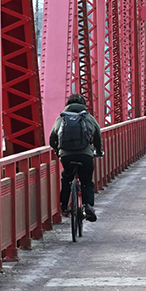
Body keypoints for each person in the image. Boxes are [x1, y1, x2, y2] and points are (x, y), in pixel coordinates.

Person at [49, 93, 103, 221]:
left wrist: (58, 151)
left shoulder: (61, 118)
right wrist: (99, 151)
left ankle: (63, 205)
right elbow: (98, 137)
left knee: (67, 178)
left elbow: (52, 138)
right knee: (86, 181)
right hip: (85, 155)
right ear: (83, 105)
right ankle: (88, 205)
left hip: (66, 156)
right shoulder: (88, 118)